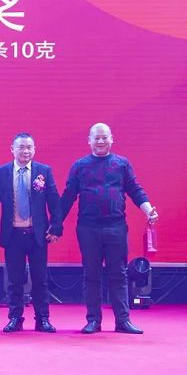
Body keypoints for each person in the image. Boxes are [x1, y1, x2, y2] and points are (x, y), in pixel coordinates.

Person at [61, 123, 158, 334]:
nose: (100, 141)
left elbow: (135, 190)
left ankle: (122, 320)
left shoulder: (122, 164)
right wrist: (55, 223)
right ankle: (93, 320)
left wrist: (148, 210)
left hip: (116, 227)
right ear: (89, 141)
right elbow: (68, 196)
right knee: (91, 274)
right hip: (88, 228)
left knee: (119, 274)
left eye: (104, 137)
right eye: (96, 138)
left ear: (112, 139)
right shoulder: (80, 166)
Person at [0, 133, 63, 333]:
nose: (25, 151)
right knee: (14, 280)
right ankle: (15, 318)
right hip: (13, 234)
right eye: (21, 147)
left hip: (37, 235)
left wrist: (56, 227)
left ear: (34, 149)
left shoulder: (43, 171)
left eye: (29, 147)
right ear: (12, 149)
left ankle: (43, 319)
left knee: (40, 279)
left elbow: (54, 201)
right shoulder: (1, 172)